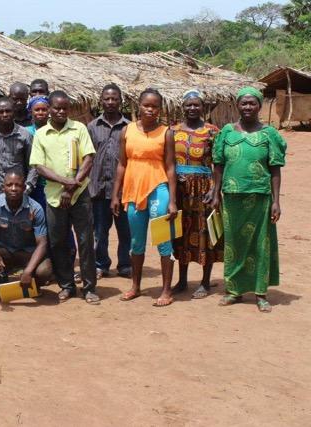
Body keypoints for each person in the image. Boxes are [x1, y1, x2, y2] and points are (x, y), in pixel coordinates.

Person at [211, 87, 286, 313]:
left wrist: (276, 201)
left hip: (259, 197)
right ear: (237, 105)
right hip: (232, 197)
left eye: (252, 103)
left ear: (259, 106)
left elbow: (275, 169)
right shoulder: (227, 132)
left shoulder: (269, 134)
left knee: (260, 244)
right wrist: (215, 192)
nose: (247, 107)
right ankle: (234, 290)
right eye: (243, 103)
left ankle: (261, 293)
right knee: (234, 243)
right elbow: (218, 164)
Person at [30, 90, 99, 304]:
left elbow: (88, 158)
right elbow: (39, 166)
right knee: (58, 242)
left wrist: (72, 186)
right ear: (49, 109)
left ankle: (89, 287)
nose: (60, 111)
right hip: (53, 197)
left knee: (86, 240)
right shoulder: (41, 134)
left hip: (80, 194)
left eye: (64, 108)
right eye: (56, 108)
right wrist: (63, 182)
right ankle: (67, 285)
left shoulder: (79, 129)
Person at [110, 88, 177, 307]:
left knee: (163, 240)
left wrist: (173, 200)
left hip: (158, 188)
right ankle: (135, 287)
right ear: (138, 105)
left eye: (155, 106)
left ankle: (166, 291)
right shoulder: (127, 131)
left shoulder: (166, 132)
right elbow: (121, 164)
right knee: (136, 241)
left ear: (160, 108)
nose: (150, 109)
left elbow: (170, 166)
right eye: (146, 105)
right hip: (133, 190)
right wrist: (115, 195)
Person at [171, 89, 223, 299]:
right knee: (181, 233)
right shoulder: (173, 131)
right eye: (188, 105)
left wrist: (215, 189)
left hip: (204, 188)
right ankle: (182, 280)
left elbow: (219, 163)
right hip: (180, 190)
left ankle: (205, 282)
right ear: (182, 107)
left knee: (205, 233)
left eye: (196, 105)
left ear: (203, 107)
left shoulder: (212, 131)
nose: (192, 108)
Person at [0, 172, 53, 303]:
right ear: (3, 187)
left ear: (24, 188)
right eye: (9, 185)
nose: (13, 188)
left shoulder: (35, 208)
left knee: (45, 270)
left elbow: (42, 244)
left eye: (18, 185)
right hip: (5, 252)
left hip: (28, 253)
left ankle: (32, 287)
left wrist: (28, 271)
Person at [88, 83, 132, 280]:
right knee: (100, 232)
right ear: (101, 101)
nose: (111, 102)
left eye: (115, 98)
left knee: (125, 230)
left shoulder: (130, 128)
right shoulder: (92, 127)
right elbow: (86, 158)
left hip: (123, 190)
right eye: (107, 98)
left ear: (121, 102)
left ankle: (125, 265)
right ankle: (101, 264)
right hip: (98, 188)